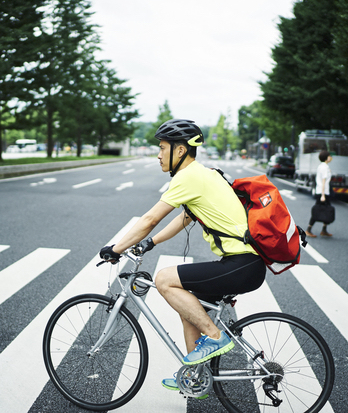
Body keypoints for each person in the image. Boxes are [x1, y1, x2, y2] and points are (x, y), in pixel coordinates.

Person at [99, 119, 266, 394]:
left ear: (180, 151)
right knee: (188, 303)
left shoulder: (188, 176)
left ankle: (214, 336)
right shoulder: (203, 174)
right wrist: (150, 243)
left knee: (165, 279)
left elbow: (151, 217)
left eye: (163, 147)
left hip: (241, 264)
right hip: (243, 264)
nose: (158, 154)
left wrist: (116, 248)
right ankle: (193, 376)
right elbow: (187, 217)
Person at [307, 150, 333, 238]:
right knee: (318, 210)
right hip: (323, 192)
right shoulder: (324, 167)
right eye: (329, 156)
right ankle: (308, 229)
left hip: (323, 192)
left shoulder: (322, 166)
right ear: (326, 157)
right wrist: (323, 195)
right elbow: (323, 181)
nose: (330, 157)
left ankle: (324, 229)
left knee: (327, 210)